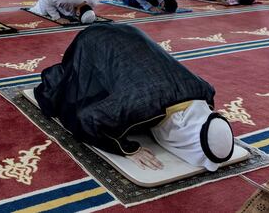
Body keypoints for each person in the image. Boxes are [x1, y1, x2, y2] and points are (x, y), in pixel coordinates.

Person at [34, 22, 235, 172]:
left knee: (117, 83)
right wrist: (127, 148)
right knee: (73, 94)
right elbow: (88, 119)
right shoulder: (141, 106)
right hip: (95, 42)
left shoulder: (206, 91)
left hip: (131, 33)